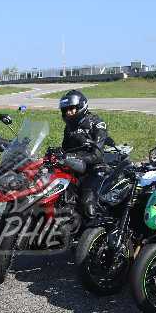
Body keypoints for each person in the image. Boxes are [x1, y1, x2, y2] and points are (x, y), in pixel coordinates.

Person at [54, 89, 110, 219]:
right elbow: (65, 149)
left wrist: (75, 157)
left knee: (86, 204)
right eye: (65, 110)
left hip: (93, 169)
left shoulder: (97, 123)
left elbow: (97, 155)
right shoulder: (69, 127)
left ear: (81, 106)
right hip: (72, 168)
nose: (68, 113)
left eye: (71, 109)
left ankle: (94, 228)